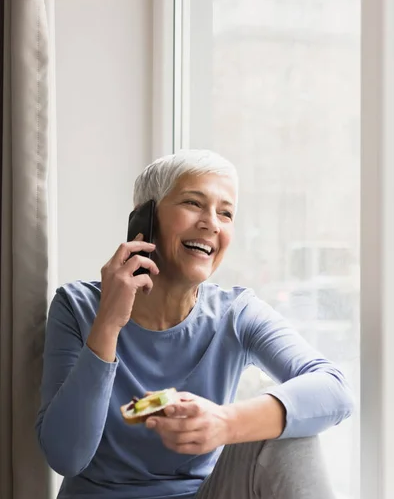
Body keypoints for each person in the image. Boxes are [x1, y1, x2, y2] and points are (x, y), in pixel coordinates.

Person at [36, 149, 354, 499]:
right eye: (193, 203)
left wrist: (224, 423)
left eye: (226, 213)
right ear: (145, 219)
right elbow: (67, 457)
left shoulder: (236, 313)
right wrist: (108, 324)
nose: (211, 223)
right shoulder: (77, 306)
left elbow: (334, 390)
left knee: (293, 434)